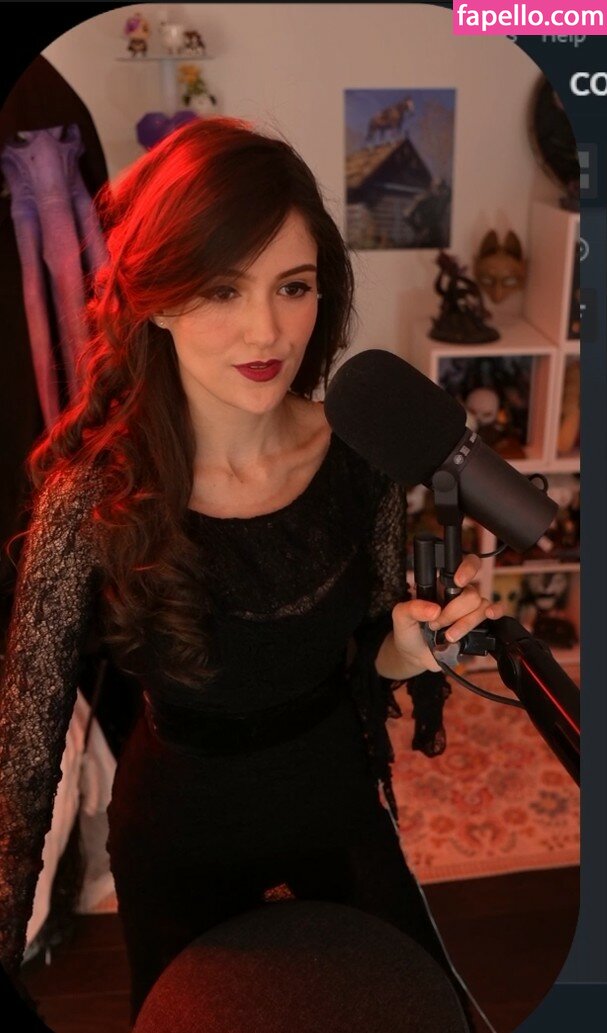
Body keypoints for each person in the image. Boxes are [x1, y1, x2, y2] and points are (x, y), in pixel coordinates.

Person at [0, 117, 500, 1026]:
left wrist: (409, 648)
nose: (266, 328)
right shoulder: (91, 499)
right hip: (179, 833)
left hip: (333, 797)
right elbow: (25, 761)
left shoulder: (358, 457)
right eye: (223, 288)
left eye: (292, 286)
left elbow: (368, 663)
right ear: (156, 297)